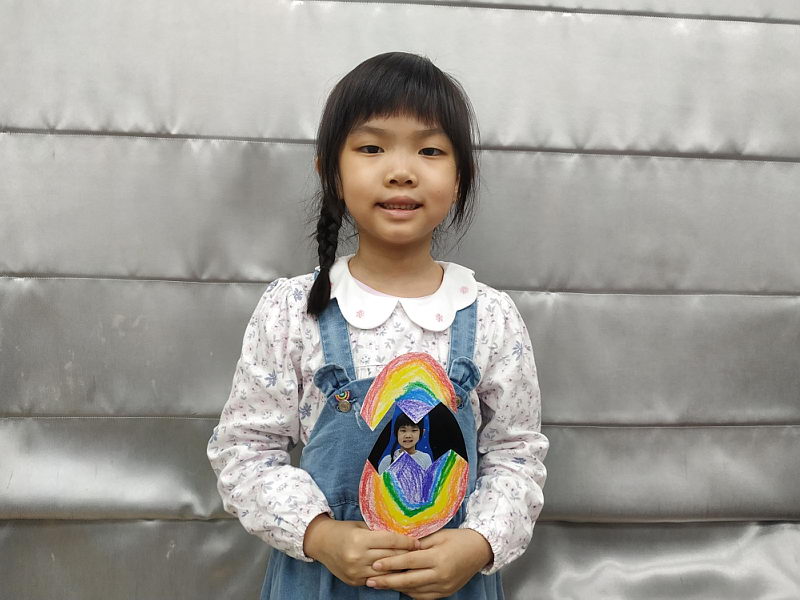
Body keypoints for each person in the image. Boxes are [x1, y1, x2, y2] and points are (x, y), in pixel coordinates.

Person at [207, 51, 548, 600]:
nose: (401, 170)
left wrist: (478, 543)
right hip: (320, 581)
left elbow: (516, 454)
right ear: (331, 172)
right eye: (371, 148)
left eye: (430, 150)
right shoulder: (293, 310)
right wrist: (320, 535)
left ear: (460, 177)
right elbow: (245, 450)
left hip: (452, 586)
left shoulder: (490, 316)